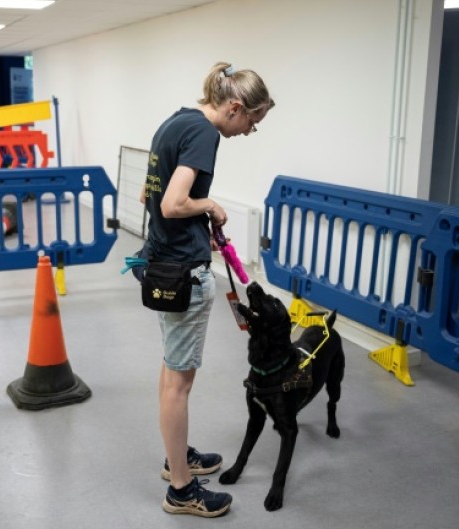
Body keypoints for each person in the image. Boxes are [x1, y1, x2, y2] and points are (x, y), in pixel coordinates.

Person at [143, 61, 274, 517]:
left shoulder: (175, 120)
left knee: (170, 372)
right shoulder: (204, 133)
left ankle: (176, 459)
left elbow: (147, 196)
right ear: (235, 107)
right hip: (183, 270)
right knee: (179, 384)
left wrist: (193, 210)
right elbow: (172, 201)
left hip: (163, 263)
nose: (249, 131)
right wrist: (210, 205)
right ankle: (181, 490)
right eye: (251, 122)